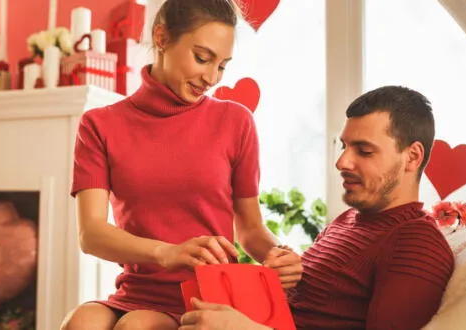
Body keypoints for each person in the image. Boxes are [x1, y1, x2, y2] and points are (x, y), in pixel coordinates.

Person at [60, 1, 303, 329]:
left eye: (222, 66)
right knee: (82, 322)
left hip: (207, 292)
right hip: (137, 289)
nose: (211, 77)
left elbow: (250, 230)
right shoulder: (100, 125)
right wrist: (165, 253)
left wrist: (280, 257)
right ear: (161, 38)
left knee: (136, 326)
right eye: (202, 58)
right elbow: (91, 234)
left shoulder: (235, 122)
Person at [179, 86, 455, 330]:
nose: (342, 162)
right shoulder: (347, 221)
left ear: (412, 156)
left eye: (364, 150)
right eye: (344, 146)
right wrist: (282, 275)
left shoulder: (416, 243)